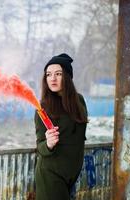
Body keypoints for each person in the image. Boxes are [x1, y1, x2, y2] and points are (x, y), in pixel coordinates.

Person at [34, 53, 88, 200]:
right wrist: (49, 144)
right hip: (51, 175)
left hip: (71, 176)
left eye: (58, 74)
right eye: (48, 74)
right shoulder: (43, 108)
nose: (52, 78)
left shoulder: (80, 101)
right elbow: (40, 147)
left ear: (68, 77)